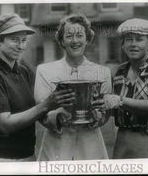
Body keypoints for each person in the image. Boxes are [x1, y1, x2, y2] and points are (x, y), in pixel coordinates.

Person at [0, 14, 75, 162]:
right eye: (14, 39)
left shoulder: (23, 71)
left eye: (24, 40)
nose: (21, 46)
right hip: (2, 159)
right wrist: (46, 105)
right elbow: (4, 125)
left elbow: (31, 111)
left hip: (28, 155)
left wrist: (56, 112)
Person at [34, 13, 112, 161]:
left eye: (80, 35)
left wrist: (98, 117)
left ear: (87, 39)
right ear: (62, 40)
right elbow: (41, 109)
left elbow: (106, 111)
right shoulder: (44, 71)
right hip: (56, 147)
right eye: (69, 36)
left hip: (91, 148)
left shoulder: (103, 73)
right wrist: (57, 117)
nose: (74, 41)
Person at [104, 18, 148, 158]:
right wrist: (100, 103)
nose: (133, 44)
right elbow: (117, 109)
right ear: (123, 45)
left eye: (139, 39)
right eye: (128, 39)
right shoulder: (121, 71)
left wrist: (119, 100)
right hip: (123, 140)